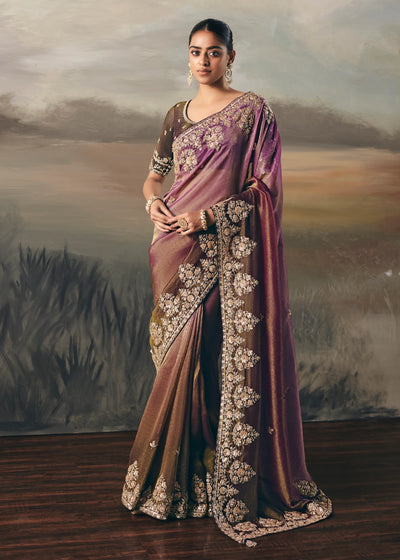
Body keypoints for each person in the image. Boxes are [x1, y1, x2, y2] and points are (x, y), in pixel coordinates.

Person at [121, 18, 332, 547]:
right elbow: (154, 174)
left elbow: (265, 189)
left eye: (214, 52)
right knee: (178, 358)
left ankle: (213, 477)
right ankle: (184, 483)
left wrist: (210, 216)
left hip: (223, 249)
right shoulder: (176, 115)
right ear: (188, 56)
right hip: (172, 248)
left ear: (231, 57)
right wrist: (153, 202)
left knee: (209, 355)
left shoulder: (253, 112)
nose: (203, 61)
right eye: (196, 52)